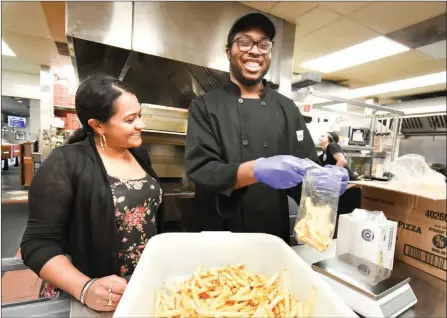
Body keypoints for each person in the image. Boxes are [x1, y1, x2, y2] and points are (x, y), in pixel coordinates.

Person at [184, 13, 348, 244]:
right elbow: (202, 170)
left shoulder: (287, 108)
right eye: (244, 42)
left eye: (263, 44)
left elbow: (306, 175)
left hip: (271, 232)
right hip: (218, 230)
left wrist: (324, 182)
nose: (254, 50)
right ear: (228, 51)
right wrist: (256, 169)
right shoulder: (205, 106)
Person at [20, 74, 164, 312]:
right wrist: (86, 288)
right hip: (89, 295)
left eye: (139, 115)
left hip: (136, 287)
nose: (141, 124)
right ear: (97, 125)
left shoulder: (138, 153)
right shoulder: (65, 163)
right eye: (130, 119)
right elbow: (37, 243)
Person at [319, 131, 362, 226]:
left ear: (330, 138)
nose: (319, 138)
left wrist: (330, 177)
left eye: (322, 135)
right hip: (340, 190)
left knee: (348, 222)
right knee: (338, 220)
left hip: (350, 187)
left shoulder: (332, 146)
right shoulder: (322, 156)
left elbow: (342, 161)